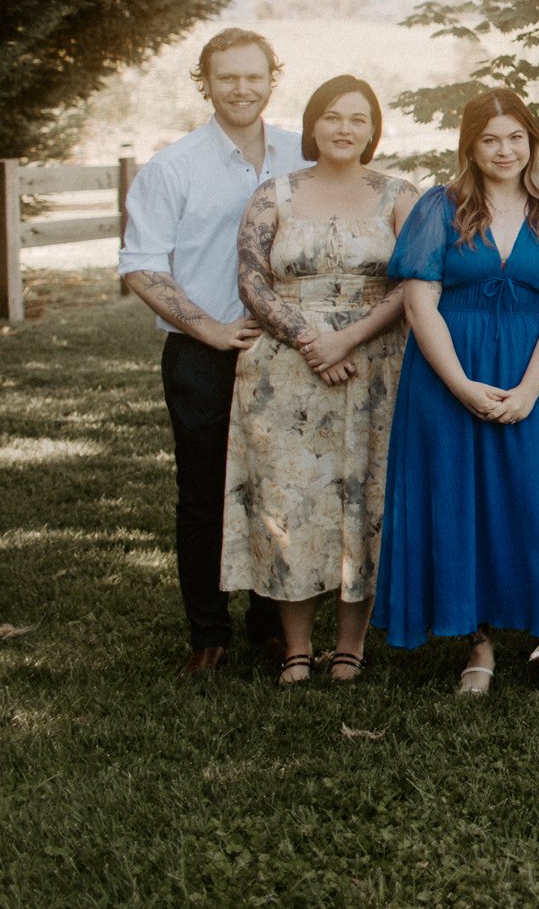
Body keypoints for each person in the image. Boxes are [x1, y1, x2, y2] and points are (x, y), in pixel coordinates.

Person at [373, 89, 539, 696]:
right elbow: (421, 307)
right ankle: (480, 646)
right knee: (460, 502)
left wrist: (528, 390)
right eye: (491, 139)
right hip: (448, 374)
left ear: (533, 142)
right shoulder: (438, 208)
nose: (505, 150)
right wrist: (461, 385)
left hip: (534, 376)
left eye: (516, 138)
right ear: (471, 146)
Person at [119, 28, 305, 677]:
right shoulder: (173, 166)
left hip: (285, 353)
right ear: (205, 82)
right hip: (202, 353)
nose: (241, 88)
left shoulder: (299, 151)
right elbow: (143, 267)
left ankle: (271, 622)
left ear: (271, 76)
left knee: (275, 489)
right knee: (203, 494)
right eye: (226, 76)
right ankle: (208, 629)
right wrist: (210, 329)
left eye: (253, 75)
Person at [220, 76, 418, 684]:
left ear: (372, 129)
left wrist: (347, 338)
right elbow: (252, 281)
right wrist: (313, 341)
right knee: (290, 499)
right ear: (312, 124)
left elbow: (415, 282)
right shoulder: (272, 194)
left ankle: (352, 645)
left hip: (375, 363)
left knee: (365, 497)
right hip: (284, 369)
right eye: (332, 116)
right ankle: (298, 646)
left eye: (358, 119)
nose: (344, 129)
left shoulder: (401, 195)